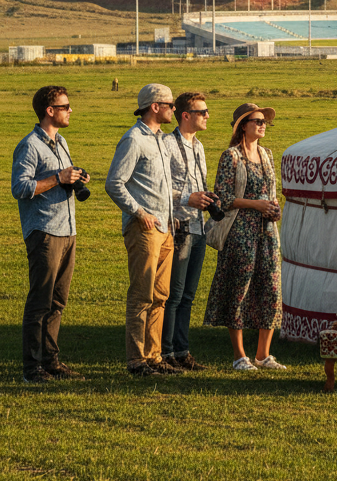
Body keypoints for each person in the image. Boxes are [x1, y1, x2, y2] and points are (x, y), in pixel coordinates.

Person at [105, 83, 210, 377]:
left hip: (166, 229)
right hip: (145, 228)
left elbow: (164, 189)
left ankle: (154, 357)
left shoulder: (160, 141)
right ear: (155, 107)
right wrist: (139, 213)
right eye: (169, 105)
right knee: (141, 295)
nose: (173, 110)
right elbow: (114, 183)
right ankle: (136, 360)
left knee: (161, 296)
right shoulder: (134, 140)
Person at [11, 85, 90, 383]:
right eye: (65, 106)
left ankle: (51, 362)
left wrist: (75, 177)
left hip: (67, 230)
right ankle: (32, 369)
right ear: (49, 110)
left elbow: (59, 179)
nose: (71, 110)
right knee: (40, 302)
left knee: (58, 302)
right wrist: (58, 178)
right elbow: (20, 188)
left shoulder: (61, 141)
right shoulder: (30, 145)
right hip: (44, 232)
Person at [203, 103, 286, 372]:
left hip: (267, 232)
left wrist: (273, 207)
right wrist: (256, 205)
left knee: (271, 288)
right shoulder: (231, 157)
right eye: (257, 120)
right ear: (243, 125)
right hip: (240, 231)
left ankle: (263, 355)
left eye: (264, 121)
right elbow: (223, 197)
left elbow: (270, 191)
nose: (263, 124)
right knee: (239, 288)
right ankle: (240, 356)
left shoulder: (267, 154)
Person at [161, 91, 215, 371]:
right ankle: (166, 352)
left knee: (189, 295)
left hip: (198, 225)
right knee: (175, 294)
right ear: (185, 115)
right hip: (179, 225)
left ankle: (182, 351)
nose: (207, 116)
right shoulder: (167, 144)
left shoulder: (199, 146)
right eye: (201, 111)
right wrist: (187, 198)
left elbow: (197, 184)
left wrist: (207, 198)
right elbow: (156, 188)